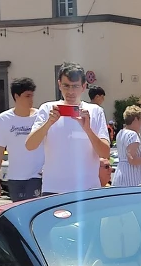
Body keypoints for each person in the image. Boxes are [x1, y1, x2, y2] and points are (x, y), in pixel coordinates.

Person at [25, 63, 110, 195]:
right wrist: (48, 123)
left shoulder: (95, 111)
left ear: (83, 87)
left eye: (75, 86)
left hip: (87, 189)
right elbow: (30, 145)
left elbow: (105, 153)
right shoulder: (47, 109)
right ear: (59, 85)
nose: (70, 92)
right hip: (53, 189)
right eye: (66, 86)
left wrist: (87, 129)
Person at [0, 77, 43, 201]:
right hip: (15, 177)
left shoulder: (40, 116)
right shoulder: (4, 119)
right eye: (27, 96)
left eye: (32, 96)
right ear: (16, 96)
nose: (31, 100)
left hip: (37, 175)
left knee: (32, 209)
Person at [110, 105, 141, 187]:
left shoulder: (121, 133)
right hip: (132, 177)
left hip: (122, 172)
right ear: (136, 119)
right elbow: (132, 160)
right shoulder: (133, 135)